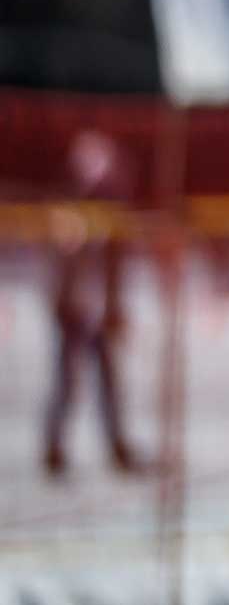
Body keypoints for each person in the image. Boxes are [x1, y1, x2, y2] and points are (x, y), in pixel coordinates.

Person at [41, 130, 144, 480]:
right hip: (73, 308)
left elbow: (114, 268)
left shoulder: (111, 205)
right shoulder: (68, 203)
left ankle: (117, 448)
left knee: (108, 382)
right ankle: (53, 451)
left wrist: (116, 308)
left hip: (99, 309)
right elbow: (59, 260)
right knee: (66, 382)